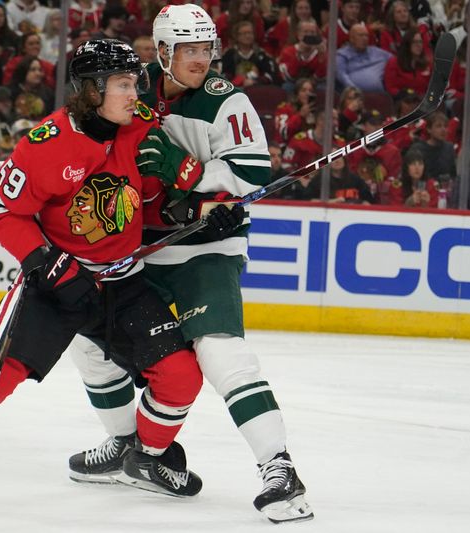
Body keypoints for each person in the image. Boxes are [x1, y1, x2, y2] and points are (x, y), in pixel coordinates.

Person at [0, 39, 206, 500]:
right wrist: (46, 263)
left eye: (135, 83)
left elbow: (155, 200)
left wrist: (195, 205)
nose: (136, 94)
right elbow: (1, 215)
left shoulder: (140, 127)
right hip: (58, 281)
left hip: (123, 281)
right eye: (124, 84)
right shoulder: (45, 145)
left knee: (181, 375)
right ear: (92, 90)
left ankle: (142, 460)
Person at [65, 5, 313, 524]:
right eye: (189, 50)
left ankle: (279, 467)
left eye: (207, 49)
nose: (202, 59)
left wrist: (188, 175)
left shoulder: (228, 103)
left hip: (204, 245)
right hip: (140, 245)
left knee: (220, 353)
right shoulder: (129, 89)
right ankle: (129, 449)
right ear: (162, 52)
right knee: (91, 340)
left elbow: (249, 177)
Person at [336, 23, 392, 93]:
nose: (365, 38)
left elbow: (397, 61)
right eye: (361, 35)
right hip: (353, 96)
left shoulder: (378, 52)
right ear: (351, 38)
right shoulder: (342, 54)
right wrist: (354, 90)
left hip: (379, 97)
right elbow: (341, 76)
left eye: (366, 36)